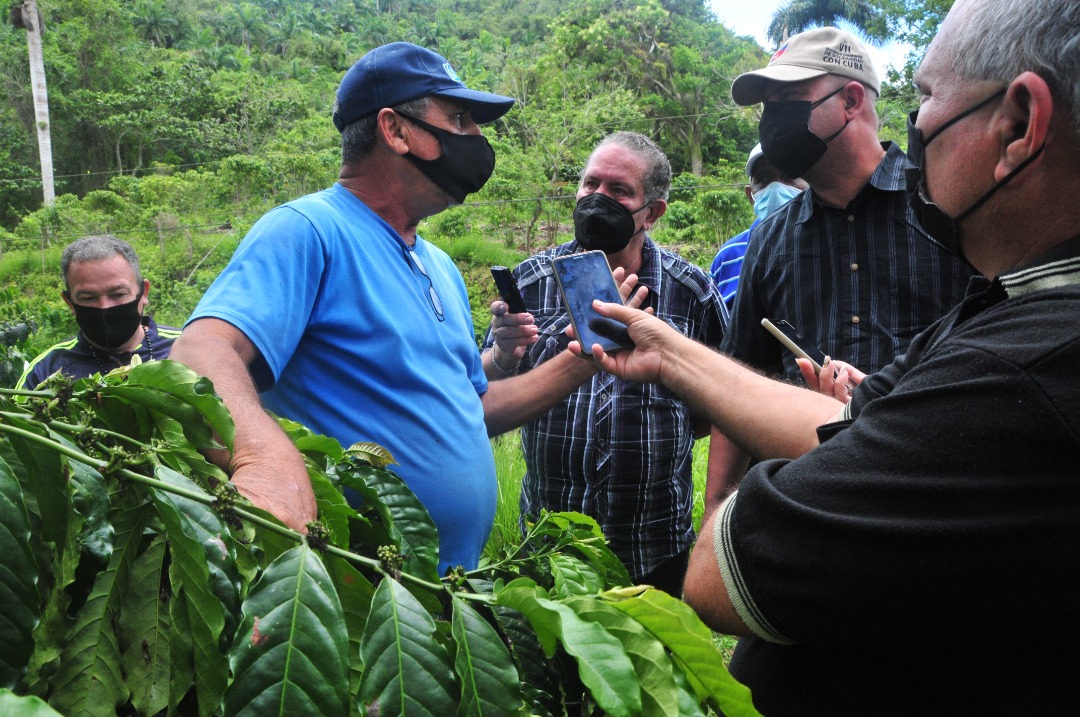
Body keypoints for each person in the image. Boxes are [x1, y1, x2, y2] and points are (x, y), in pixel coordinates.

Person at [579, 0, 1080, 710]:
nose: (771, 122)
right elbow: (825, 402)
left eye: (930, 96)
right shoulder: (777, 239)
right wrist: (669, 355)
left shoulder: (1001, 317)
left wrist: (745, 509)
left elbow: (725, 567)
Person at [170, 42, 618, 573]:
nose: (475, 138)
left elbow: (469, 411)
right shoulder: (308, 232)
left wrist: (581, 360)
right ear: (396, 129)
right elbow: (200, 350)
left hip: (450, 590)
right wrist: (261, 454)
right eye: (457, 118)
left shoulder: (439, 265)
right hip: (357, 600)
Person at [707, 26, 976, 507]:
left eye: (788, 98)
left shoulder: (947, 207)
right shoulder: (770, 238)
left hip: (938, 502)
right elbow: (740, 375)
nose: (773, 121)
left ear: (851, 100)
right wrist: (714, 512)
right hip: (802, 507)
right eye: (768, 106)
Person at [482, 132, 728, 594]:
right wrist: (499, 354)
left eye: (618, 191)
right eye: (590, 184)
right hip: (546, 547)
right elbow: (479, 391)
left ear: (651, 213)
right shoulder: (531, 282)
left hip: (654, 548)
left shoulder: (691, 292)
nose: (598, 199)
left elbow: (718, 401)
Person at [16, 235, 180, 390]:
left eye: (118, 295)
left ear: (143, 292)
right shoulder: (44, 372)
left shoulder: (184, 346)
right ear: (69, 302)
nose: (104, 307)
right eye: (88, 298)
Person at [708, 143, 806, 305]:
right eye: (764, 179)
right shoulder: (727, 256)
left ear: (811, 183)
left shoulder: (826, 245)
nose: (776, 188)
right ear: (750, 194)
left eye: (789, 176)